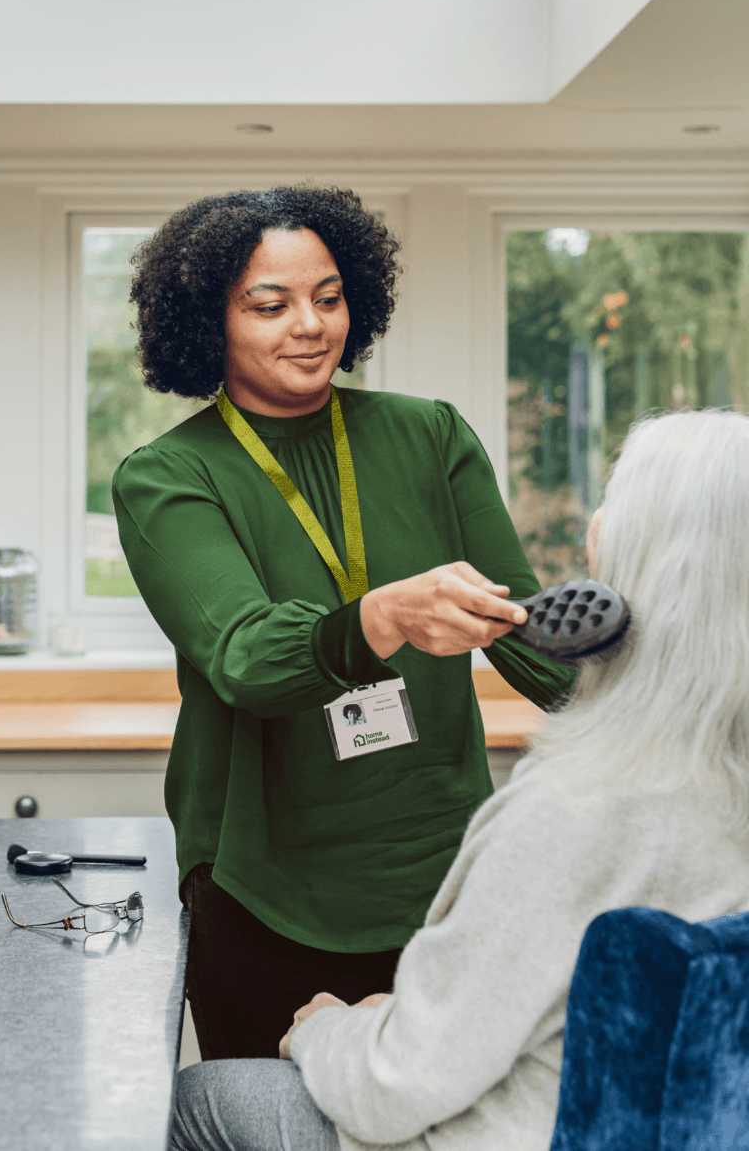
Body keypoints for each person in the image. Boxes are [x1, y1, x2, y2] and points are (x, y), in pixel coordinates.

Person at [170, 407, 749, 1151]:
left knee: (196, 1099)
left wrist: (328, 1031)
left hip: (509, 1133)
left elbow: (391, 1091)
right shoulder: (716, 787)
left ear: (647, 557)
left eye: (614, 497)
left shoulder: (570, 810)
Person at [112, 185, 573, 1062]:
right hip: (263, 883)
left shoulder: (430, 436)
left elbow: (523, 631)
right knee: (276, 1119)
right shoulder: (168, 477)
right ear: (208, 321)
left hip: (442, 876)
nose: (310, 325)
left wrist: (666, 680)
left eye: (329, 297)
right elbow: (245, 657)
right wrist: (382, 616)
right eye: (270, 304)